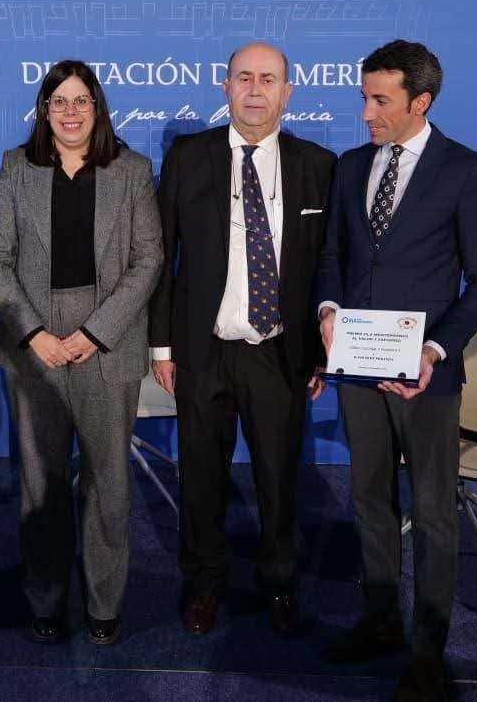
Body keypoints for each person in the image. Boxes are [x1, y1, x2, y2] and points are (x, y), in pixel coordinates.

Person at [314, 39, 477, 700]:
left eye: (380, 100)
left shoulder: (467, 170)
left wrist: (434, 351)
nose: (366, 111)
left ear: (420, 102)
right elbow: (333, 256)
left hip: (426, 375)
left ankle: (429, 648)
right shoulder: (349, 166)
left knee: (432, 512)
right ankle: (380, 620)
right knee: (367, 498)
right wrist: (330, 308)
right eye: (364, 97)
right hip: (359, 369)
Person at [148, 42, 336, 638]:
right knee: (199, 477)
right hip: (202, 351)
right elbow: (160, 255)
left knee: (279, 479)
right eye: (244, 78)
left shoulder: (319, 165)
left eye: (268, 80)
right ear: (224, 87)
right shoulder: (187, 157)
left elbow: (329, 264)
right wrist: (161, 346)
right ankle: (205, 583)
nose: (255, 89)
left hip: (279, 352)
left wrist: (322, 353)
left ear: (288, 93)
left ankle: (280, 585)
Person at [0, 60, 163, 646]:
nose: (69, 111)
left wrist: (95, 332)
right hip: (34, 342)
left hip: (106, 338)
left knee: (109, 483)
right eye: (57, 101)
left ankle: (104, 603)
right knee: (42, 482)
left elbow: (148, 260)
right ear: (43, 110)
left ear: (98, 108)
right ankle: (46, 598)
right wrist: (35, 333)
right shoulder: (16, 167)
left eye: (80, 100)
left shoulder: (132, 170)